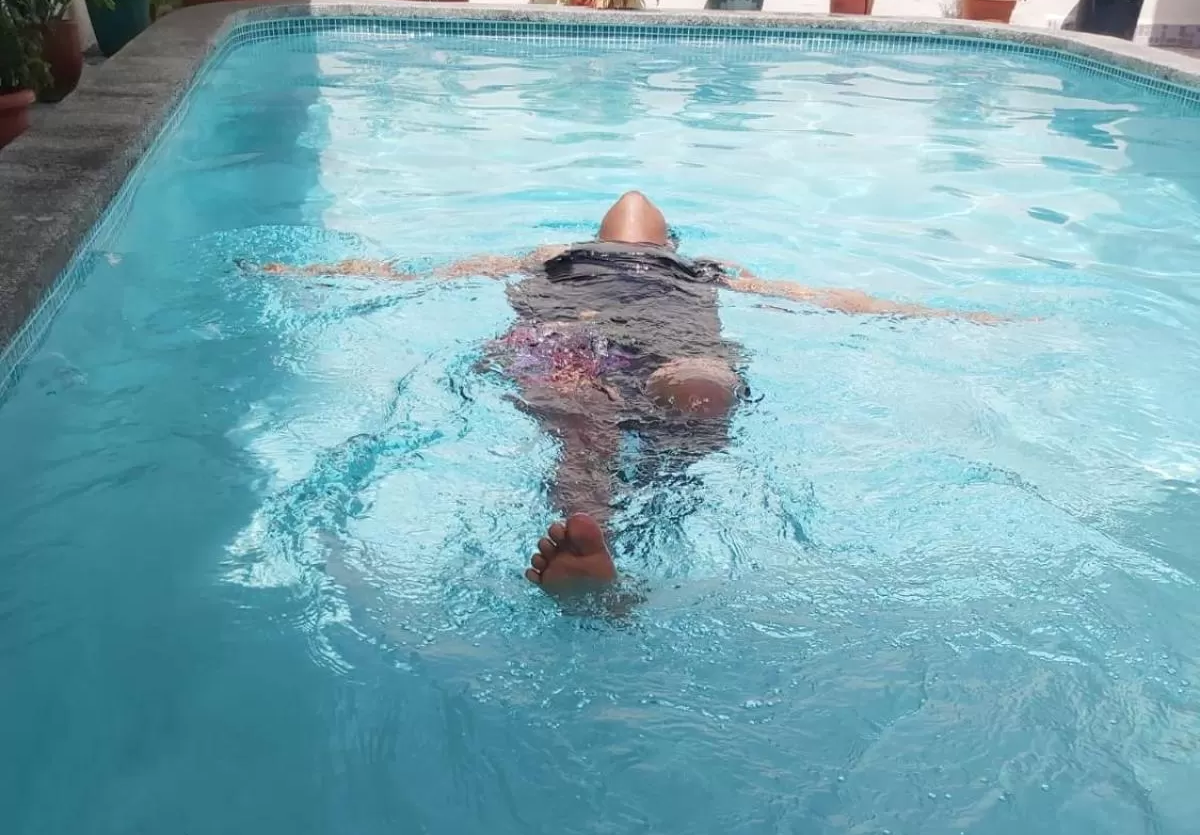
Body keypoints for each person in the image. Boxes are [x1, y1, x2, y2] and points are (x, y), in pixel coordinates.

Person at [257, 191, 1002, 594]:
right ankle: (658, 485)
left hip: (571, 330)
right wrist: (948, 316)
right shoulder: (703, 269)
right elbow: (828, 299)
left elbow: (422, 274)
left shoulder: (552, 256)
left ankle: (589, 522)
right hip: (673, 341)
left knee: (582, 417)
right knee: (701, 387)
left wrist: (304, 274)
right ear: (670, 241)